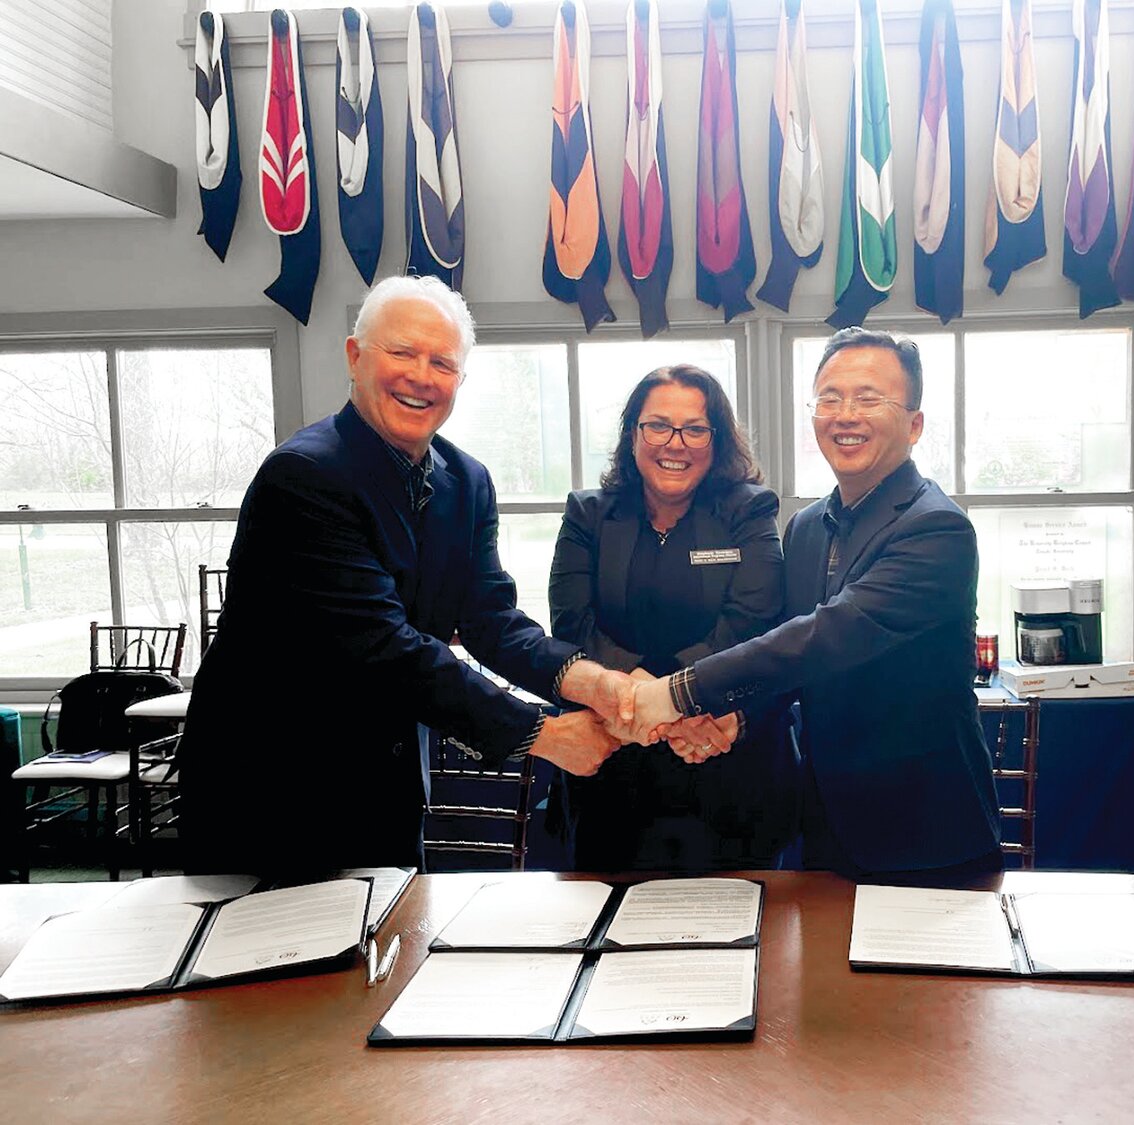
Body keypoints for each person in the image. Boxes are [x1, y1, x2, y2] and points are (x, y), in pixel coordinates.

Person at [178, 275, 633, 877]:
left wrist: (589, 681)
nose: (422, 376)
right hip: (268, 794)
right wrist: (540, 733)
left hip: (386, 793)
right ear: (354, 356)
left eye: (442, 362)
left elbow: (490, 619)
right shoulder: (303, 477)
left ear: (459, 381)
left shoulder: (466, 482)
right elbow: (385, 649)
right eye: (402, 352)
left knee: (381, 962)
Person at [632, 328, 1003, 881]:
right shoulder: (807, 527)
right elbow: (789, 665)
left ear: (915, 424)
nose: (844, 414)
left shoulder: (937, 528)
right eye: (829, 398)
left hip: (928, 833)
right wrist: (733, 716)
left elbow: (829, 635)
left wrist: (677, 691)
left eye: (868, 398)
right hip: (824, 827)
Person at [548, 365, 797, 870]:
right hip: (614, 768)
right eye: (658, 425)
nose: (675, 443)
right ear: (633, 435)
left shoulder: (750, 511)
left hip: (723, 759)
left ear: (716, 439)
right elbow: (573, 624)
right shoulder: (587, 515)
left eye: (695, 428)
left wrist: (672, 697)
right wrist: (640, 693)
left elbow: (751, 622)